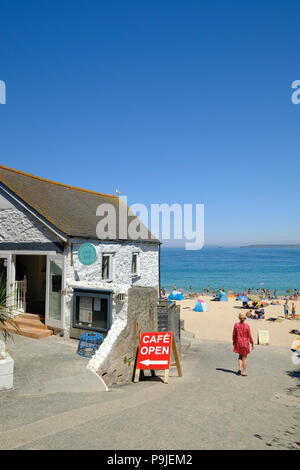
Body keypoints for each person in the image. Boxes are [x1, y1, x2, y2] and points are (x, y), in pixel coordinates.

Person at [232, 312, 254, 376]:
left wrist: (233, 342)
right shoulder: (247, 326)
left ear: (239, 318)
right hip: (245, 343)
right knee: (244, 358)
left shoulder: (236, 325)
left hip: (239, 342)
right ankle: (244, 372)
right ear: (245, 318)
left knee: (240, 356)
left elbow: (234, 335)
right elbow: (249, 336)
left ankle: (239, 369)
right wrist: (252, 343)